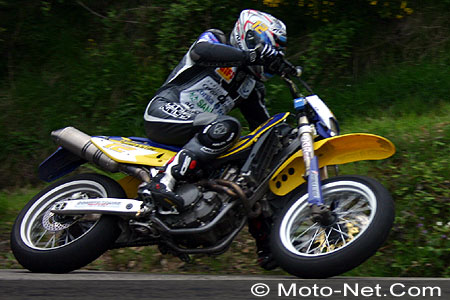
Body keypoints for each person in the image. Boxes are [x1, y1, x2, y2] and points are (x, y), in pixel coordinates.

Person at [142, 9, 287, 270]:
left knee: (249, 167)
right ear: (251, 37)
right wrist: (251, 56)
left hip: (201, 135)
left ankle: (269, 245)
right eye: (268, 48)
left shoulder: (250, 86)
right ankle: (162, 182)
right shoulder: (215, 40)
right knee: (228, 125)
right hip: (166, 110)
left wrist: (285, 133)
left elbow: (263, 127)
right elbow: (202, 53)